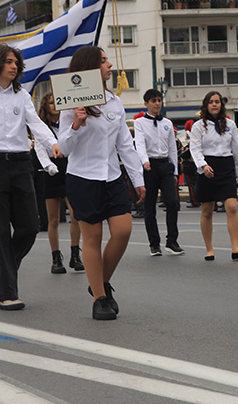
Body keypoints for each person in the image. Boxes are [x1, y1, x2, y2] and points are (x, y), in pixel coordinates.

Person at [0, 44, 59, 311]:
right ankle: (8, 293)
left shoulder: (22, 96)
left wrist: (52, 143)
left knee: (30, 226)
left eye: (16, 62)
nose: (14, 66)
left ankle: (6, 266)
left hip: (21, 164)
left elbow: (36, 123)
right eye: (8, 61)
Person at [56, 46, 144, 321]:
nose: (109, 65)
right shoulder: (72, 102)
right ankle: (99, 297)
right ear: (90, 68)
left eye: (107, 59)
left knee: (123, 230)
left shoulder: (114, 102)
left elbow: (125, 145)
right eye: (103, 61)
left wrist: (138, 178)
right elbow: (63, 148)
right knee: (92, 238)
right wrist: (76, 123)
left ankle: (100, 281)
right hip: (82, 177)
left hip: (112, 176)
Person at [192, 90, 238, 261]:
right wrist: (203, 165)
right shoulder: (198, 126)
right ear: (206, 105)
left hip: (226, 167)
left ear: (221, 105)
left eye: (217, 101)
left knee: (231, 206)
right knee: (207, 211)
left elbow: (236, 150)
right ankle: (209, 249)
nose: (214, 104)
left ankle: (235, 247)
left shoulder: (230, 125)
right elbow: (195, 148)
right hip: (208, 167)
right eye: (211, 102)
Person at [36, 95, 83, 273]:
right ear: (45, 107)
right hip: (51, 171)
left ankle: (75, 254)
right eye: (50, 102)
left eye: (56, 102)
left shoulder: (66, 121)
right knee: (53, 219)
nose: (54, 105)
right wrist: (49, 166)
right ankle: (56, 258)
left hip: (69, 167)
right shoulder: (41, 127)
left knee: (75, 214)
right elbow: (39, 150)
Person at [135, 88, 184, 257]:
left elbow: (172, 148)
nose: (157, 104)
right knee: (150, 206)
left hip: (165, 165)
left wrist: (175, 170)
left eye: (159, 100)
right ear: (146, 103)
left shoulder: (167, 123)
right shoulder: (140, 123)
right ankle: (154, 244)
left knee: (172, 202)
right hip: (150, 166)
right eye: (153, 101)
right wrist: (144, 160)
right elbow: (140, 144)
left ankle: (172, 240)